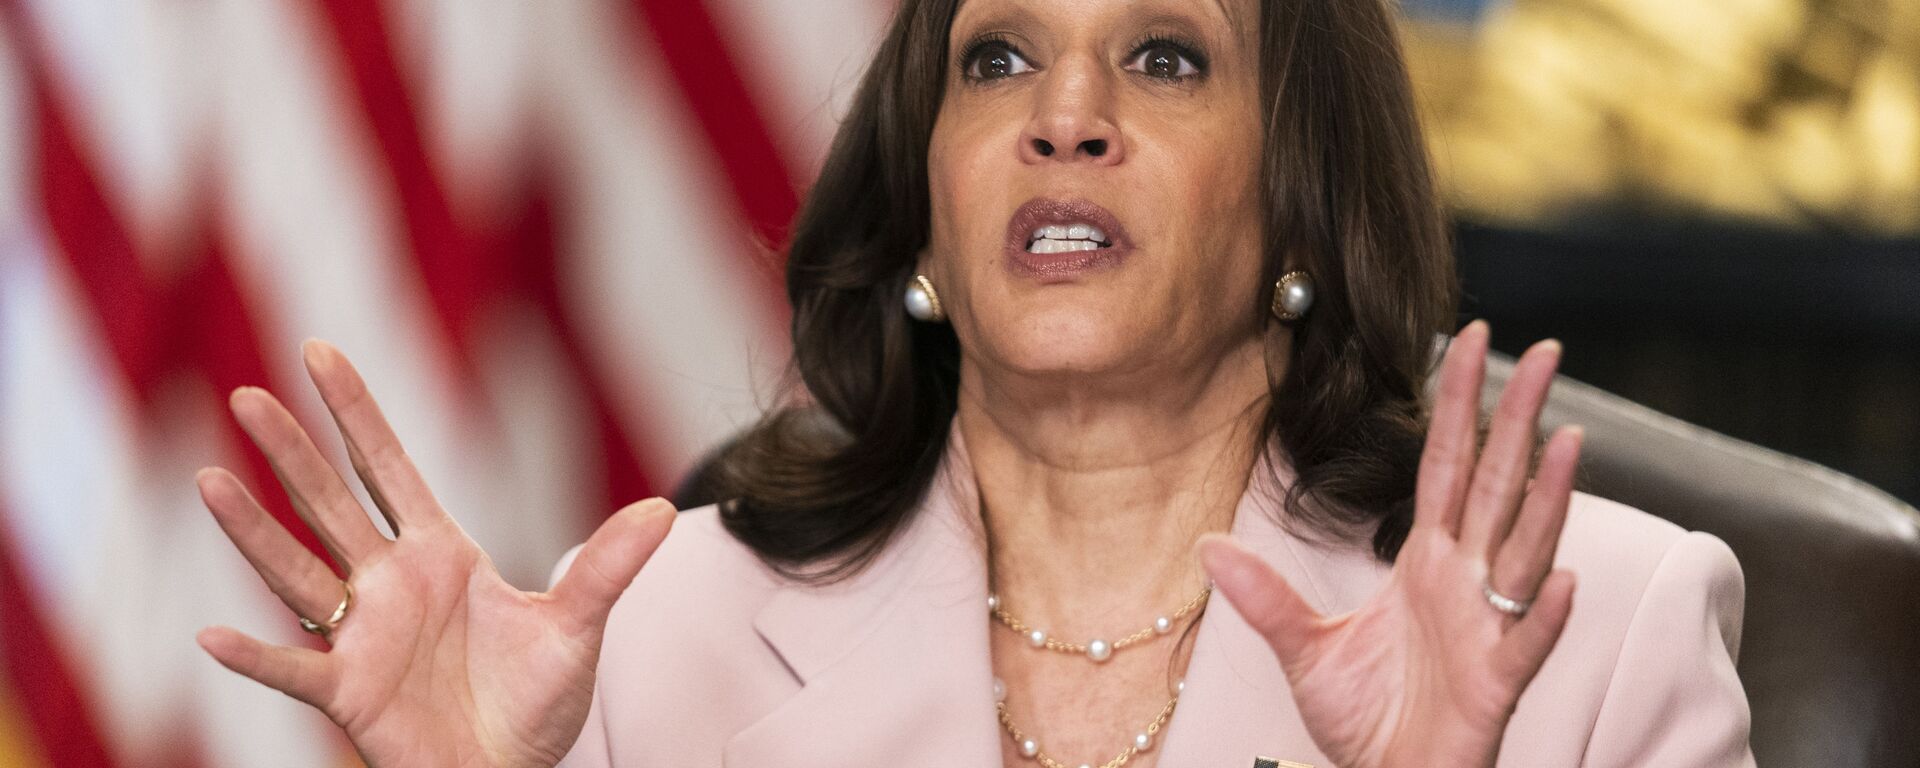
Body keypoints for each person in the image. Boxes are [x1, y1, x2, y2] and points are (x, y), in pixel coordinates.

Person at [192, 0, 1755, 765]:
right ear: (924, 207)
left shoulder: (1595, 636)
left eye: (1166, 56)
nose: (1064, 114)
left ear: (1301, 198)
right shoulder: (674, 638)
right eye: (996, 58)